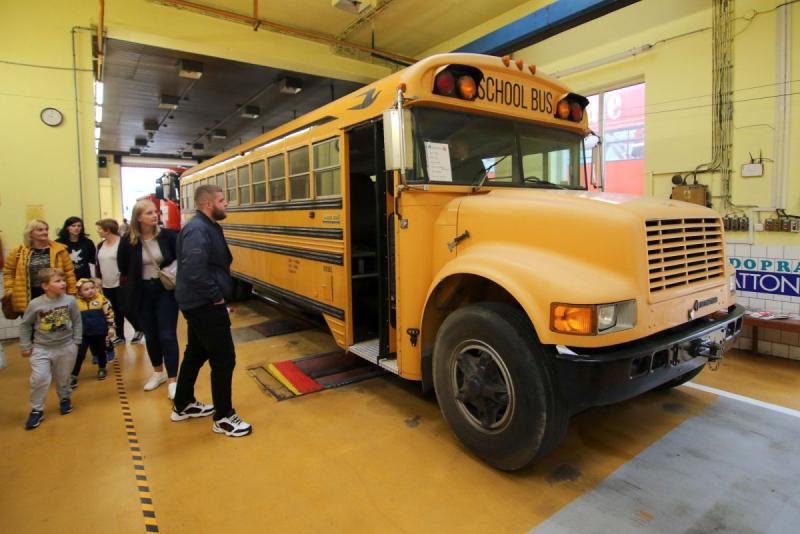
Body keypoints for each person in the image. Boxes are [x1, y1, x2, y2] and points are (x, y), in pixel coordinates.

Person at [171, 184, 251, 437]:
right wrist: (216, 297)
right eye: (221, 200)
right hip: (203, 304)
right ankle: (224, 417)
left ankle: (183, 404)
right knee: (224, 358)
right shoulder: (198, 230)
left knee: (196, 353)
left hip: (198, 302)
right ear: (208, 204)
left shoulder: (208, 226)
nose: (226, 203)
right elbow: (195, 271)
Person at [118, 200, 180, 397]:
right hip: (142, 291)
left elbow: (180, 257)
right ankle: (158, 372)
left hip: (165, 290)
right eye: (149, 213)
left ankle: (173, 380)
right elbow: (123, 266)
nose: (155, 215)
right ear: (138, 218)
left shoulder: (168, 236)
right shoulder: (129, 241)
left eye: (155, 212)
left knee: (167, 334)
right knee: (151, 334)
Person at [18, 268, 82, 429]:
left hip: (66, 347)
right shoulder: (35, 304)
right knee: (39, 378)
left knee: (64, 378)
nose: (63, 283)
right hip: (41, 348)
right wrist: (25, 345)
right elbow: (25, 325)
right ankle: (37, 409)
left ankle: (65, 398)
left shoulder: (70, 301)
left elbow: (77, 321)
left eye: (63, 280)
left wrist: (76, 341)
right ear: (45, 286)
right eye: (57, 281)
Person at [3, 219, 77, 317]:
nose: (45, 232)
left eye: (46, 229)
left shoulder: (60, 250)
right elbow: (8, 273)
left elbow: (69, 273)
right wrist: (10, 291)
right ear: (30, 233)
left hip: (54, 294)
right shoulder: (18, 251)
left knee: (55, 323)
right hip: (28, 296)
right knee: (30, 324)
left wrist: (71, 292)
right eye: (40, 230)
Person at [95, 218, 142, 345]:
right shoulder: (100, 245)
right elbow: (98, 263)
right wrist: (98, 278)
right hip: (106, 282)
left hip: (121, 282)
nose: (98, 231)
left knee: (125, 308)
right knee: (114, 310)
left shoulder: (123, 243)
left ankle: (139, 328)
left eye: (100, 229)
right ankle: (120, 335)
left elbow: (129, 262)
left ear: (107, 230)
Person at [70, 278, 115, 387]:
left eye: (92, 288)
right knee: (80, 354)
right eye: (86, 289)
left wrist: (111, 328)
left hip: (99, 331)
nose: (90, 290)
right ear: (79, 292)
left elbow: (109, 314)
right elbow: (73, 318)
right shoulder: (75, 303)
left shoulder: (102, 299)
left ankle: (102, 367)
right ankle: (74, 374)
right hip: (83, 333)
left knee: (101, 351)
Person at [56, 216, 96, 280]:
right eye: (73, 226)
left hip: (84, 278)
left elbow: (93, 261)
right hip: (66, 278)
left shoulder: (88, 242)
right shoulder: (58, 243)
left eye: (79, 226)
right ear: (67, 227)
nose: (76, 228)